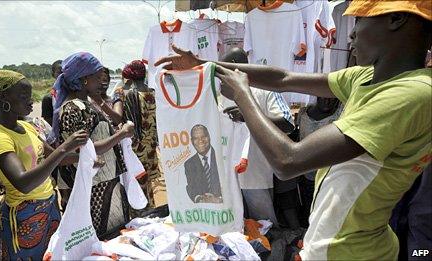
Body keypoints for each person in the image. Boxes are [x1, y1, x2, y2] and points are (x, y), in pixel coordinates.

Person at [155, 1, 432, 259]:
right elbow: (284, 79)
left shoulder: (411, 94)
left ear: (396, 19)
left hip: (351, 251)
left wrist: (244, 96)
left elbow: (289, 161)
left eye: (359, 20)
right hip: (337, 241)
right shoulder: (368, 77)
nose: (351, 34)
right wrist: (207, 66)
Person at [0, 70, 90, 260]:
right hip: (24, 215)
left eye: (31, 95)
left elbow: (53, 157)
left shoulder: (26, 127)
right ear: (3, 96)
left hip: (49, 205)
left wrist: (85, 158)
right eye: (24, 96)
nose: (31, 101)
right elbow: (23, 182)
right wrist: (64, 148)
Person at [53, 52, 134, 240]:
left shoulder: (85, 104)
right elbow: (82, 150)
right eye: (98, 78)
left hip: (106, 183)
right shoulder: (73, 109)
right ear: (84, 80)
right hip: (95, 189)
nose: (102, 83)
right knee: (104, 239)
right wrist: (121, 134)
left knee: (115, 236)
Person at [220, 48, 295, 226]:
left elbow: (287, 122)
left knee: (265, 227)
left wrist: (248, 114)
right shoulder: (220, 94)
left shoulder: (265, 90)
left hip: (256, 174)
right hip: (228, 178)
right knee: (236, 228)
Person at [117, 60, 165, 210]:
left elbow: (131, 124)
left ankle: (141, 213)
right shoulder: (152, 92)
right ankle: (150, 210)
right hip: (150, 147)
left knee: (136, 183)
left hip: (135, 149)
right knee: (148, 184)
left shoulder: (128, 94)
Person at [296, 97, 343, 227]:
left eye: (331, 99)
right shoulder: (304, 112)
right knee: (309, 204)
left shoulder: (340, 114)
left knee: (326, 208)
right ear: (317, 96)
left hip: (329, 174)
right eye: (323, 97)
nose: (327, 102)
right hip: (307, 171)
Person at [184, 124, 222, 204]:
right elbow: (191, 188)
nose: (200, 141)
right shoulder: (189, 164)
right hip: (204, 211)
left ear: (209, 137)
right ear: (192, 141)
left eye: (203, 136)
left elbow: (230, 184)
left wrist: (219, 199)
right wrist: (199, 199)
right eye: (196, 138)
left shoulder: (221, 156)